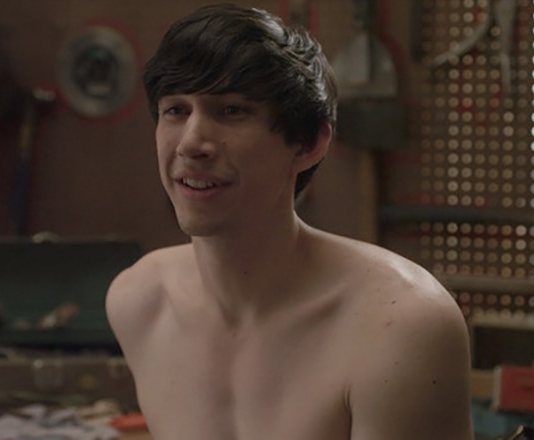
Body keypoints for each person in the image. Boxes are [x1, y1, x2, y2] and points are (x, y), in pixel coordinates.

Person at [106, 3, 473, 439]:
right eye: (176, 110)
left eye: (231, 110)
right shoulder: (139, 303)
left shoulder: (400, 326)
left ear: (308, 143)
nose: (191, 143)